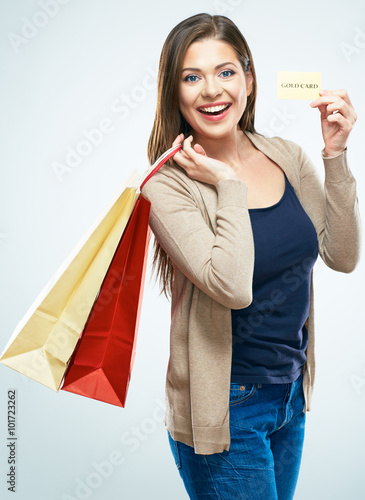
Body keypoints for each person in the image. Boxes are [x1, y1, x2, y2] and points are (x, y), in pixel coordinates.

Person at [140, 12, 361, 500]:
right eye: (191, 77)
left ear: (249, 79)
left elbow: (342, 256)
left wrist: (335, 156)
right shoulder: (166, 186)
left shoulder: (286, 155)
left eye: (225, 72)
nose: (210, 90)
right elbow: (233, 286)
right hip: (225, 410)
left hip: (289, 396)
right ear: (173, 92)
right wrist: (228, 185)